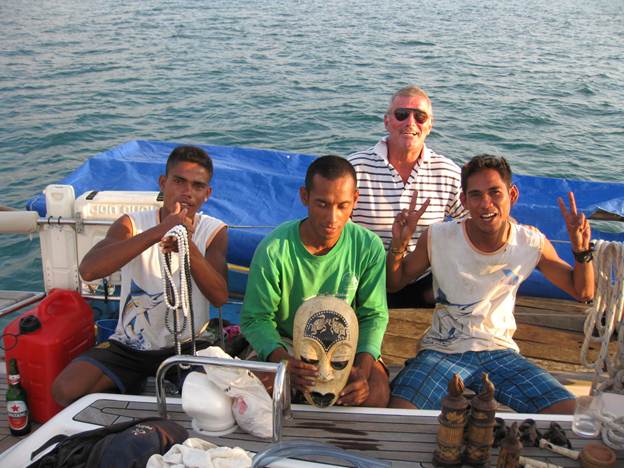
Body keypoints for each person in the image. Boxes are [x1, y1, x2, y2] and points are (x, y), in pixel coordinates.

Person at [387, 154, 594, 414]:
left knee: (570, 413)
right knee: (399, 413)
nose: (486, 204)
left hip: (499, 351)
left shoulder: (531, 243)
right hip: (441, 351)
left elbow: (582, 291)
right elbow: (395, 283)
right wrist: (399, 244)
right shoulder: (438, 237)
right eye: (475, 195)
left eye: (495, 192)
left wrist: (581, 250)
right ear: (464, 201)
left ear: (512, 194)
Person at [52, 145, 228, 407]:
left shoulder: (213, 231)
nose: (187, 192)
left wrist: (187, 247)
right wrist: (159, 231)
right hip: (130, 346)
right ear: (163, 183)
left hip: (189, 346)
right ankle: (130, 379)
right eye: (179, 181)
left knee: (216, 404)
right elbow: (89, 270)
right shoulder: (131, 224)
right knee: (65, 390)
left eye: (198, 186)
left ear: (207, 194)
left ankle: (127, 384)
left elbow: (219, 296)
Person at [240, 155, 390, 407]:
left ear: (355, 199)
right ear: (304, 196)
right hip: (288, 341)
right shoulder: (274, 249)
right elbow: (255, 318)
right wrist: (284, 361)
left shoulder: (368, 246)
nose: (332, 218)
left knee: (375, 394)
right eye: (322, 204)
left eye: (342, 206)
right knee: (261, 391)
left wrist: (361, 372)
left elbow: (374, 316)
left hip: (345, 344)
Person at [348, 85, 466, 308]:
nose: (410, 122)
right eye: (401, 114)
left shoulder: (447, 172)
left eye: (420, 117)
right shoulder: (355, 169)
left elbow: (473, 221)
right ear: (387, 121)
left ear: (429, 125)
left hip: (424, 284)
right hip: (363, 281)